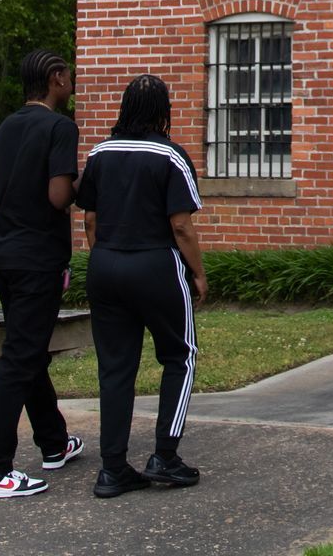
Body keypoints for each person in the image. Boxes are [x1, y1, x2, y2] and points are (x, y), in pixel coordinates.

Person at [76, 73, 208, 498]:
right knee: (179, 355)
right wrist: (199, 273)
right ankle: (164, 456)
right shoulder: (169, 156)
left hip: (105, 264)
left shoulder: (100, 152)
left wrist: (106, 257)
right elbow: (181, 225)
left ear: (124, 107)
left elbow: (90, 219)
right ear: (162, 112)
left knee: (115, 368)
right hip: (156, 265)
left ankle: (113, 469)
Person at [0, 49, 86, 500]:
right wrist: (83, 182)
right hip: (38, 257)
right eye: (68, 75)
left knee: (28, 350)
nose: (71, 81)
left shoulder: (8, 128)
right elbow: (59, 197)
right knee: (19, 358)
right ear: (56, 79)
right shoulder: (61, 128)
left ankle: (54, 444)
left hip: (1, 252)